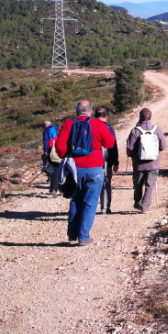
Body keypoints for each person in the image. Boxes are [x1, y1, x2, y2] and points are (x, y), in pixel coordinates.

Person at [55, 100, 115, 246]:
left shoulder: (68, 124)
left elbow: (59, 147)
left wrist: (69, 155)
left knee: (75, 200)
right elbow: (109, 143)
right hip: (95, 168)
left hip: (74, 169)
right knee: (90, 202)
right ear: (90, 111)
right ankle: (83, 236)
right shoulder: (97, 123)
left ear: (77, 111)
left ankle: (72, 234)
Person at [126, 108, 166, 213]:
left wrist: (130, 155)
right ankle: (145, 206)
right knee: (149, 185)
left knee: (138, 184)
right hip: (153, 163)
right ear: (150, 117)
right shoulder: (157, 130)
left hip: (139, 164)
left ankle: (138, 202)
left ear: (140, 117)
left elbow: (130, 148)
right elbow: (163, 146)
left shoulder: (135, 131)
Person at [95, 106, 119, 214]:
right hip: (106, 162)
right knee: (106, 184)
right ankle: (104, 208)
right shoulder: (109, 128)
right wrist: (115, 162)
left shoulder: (89, 127)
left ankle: (89, 209)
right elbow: (113, 146)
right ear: (106, 116)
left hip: (90, 162)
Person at [41, 121, 59, 195]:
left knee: (51, 169)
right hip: (58, 151)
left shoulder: (46, 130)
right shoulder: (56, 128)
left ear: (46, 125)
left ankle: (53, 188)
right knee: (57, 170)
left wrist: (45, 151)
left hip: (50, 151)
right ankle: (55, 188)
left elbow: (45, 141)